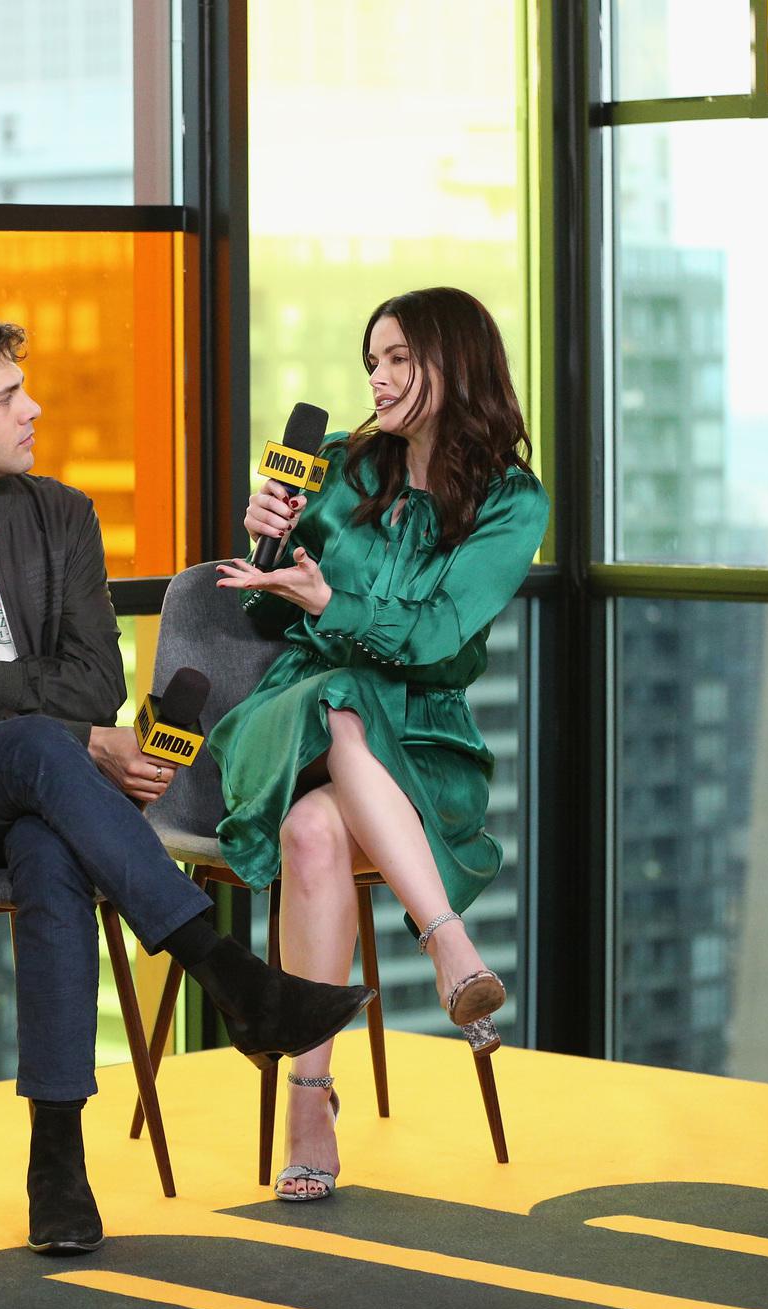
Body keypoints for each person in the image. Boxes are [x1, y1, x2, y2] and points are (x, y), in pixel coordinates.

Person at [0, 307, 374, 1256]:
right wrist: (54, 729)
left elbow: (96, 684)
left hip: (37, 795)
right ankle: (228, 970)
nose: (33, 408)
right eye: (7, 396)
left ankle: (58, 1163)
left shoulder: (63, 515)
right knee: (45, 747)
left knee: (50, 843)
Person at [209, 286, 550, 1201]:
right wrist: (269, 547)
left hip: (426, 737)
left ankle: (309, 1095)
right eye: (372, 362)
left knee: (313, 838)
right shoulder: (333, 465)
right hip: (293, 718)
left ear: (456, 361)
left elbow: (440, 635)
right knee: (345, 695)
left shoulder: (513, 502)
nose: (380, 378)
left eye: (400, 358)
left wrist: (333, 601)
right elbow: (261, 604)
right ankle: (448, 943)